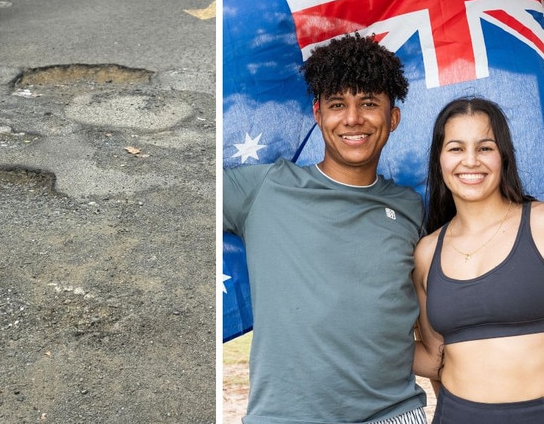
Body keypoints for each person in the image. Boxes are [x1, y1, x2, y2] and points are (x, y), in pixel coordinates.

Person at [224, 32, 427, 424]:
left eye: (368, 103)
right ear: (318, 114)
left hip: (394, 414)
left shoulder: (410, 206)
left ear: (393, 117)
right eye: (338, 105)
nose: (353, 119)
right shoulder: (266, 186)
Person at [412, 97, 544, 423]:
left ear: (503, 156)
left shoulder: (539, 225)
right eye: (456, 149)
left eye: (485, 148)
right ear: (439, 159)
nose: (470, 161)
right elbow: (433, 359)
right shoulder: (427, 252)